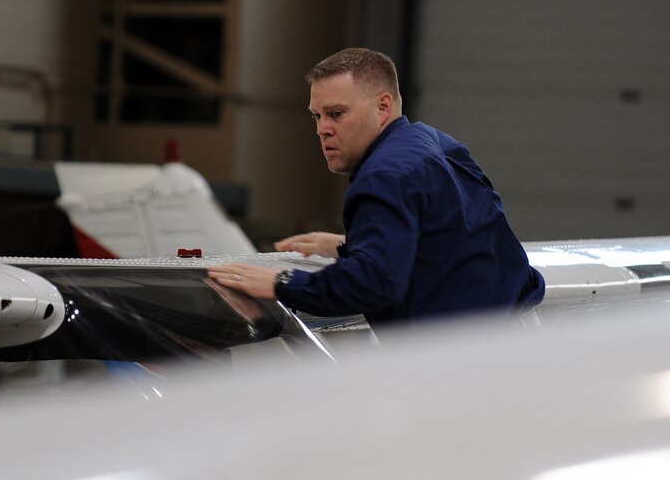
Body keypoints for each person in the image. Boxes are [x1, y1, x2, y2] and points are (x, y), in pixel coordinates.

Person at [207, 47, 544, 327]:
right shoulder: (434, 142)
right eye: (316, 116)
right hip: (515, 335)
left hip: (462, 359)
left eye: (336, 114)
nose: (322, 129)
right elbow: (455, 237)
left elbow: (374, 283)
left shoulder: (383, 176)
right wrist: (346, 245)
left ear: (383, 107)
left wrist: (280, 283)